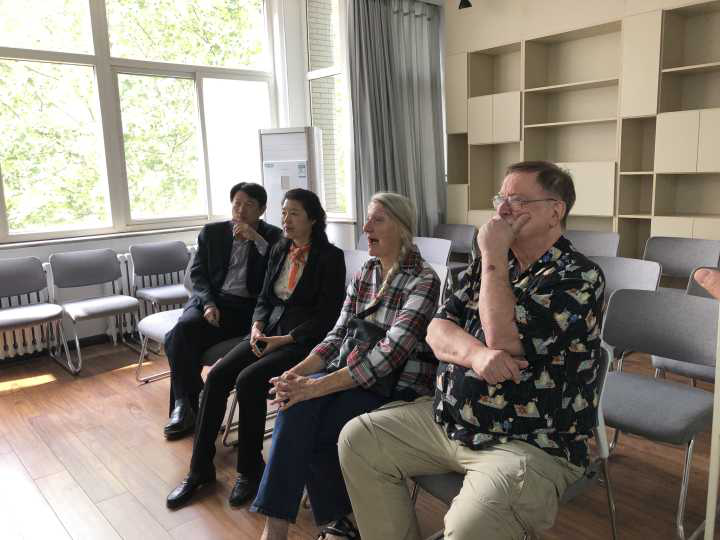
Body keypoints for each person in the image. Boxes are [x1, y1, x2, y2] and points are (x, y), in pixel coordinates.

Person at [339, 161, 606, 540]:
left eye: (518, 200)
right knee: (359, 439)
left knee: (467, 528)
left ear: (555, 211)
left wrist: (493, 254)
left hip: (529, 441)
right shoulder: (488, 264)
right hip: (451, 420)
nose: (503, 210)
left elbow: (503, 338)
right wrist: (477, 356)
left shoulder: (578, 276)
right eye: (501, 199)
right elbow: (436, 331)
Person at [253, 192, 440, 540]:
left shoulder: (424, 280)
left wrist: (315, 386)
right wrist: (298, 374)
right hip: (352, 376)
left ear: (402, 228)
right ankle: (279, 526)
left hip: (396, 387)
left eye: (377, 220)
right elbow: (337, 335)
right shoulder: (366, 272)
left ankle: (334, 521)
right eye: (367, 219)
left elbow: (389, 355)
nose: (366, 227)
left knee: (309, 421)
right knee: (294, 404)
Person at [166, 188, 346, 509]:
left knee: (248, 380)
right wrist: (257, 325)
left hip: (302, 341)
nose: (286, 219)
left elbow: (327, 317)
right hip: (267, 333)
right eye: (284, 212)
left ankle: (250, 471)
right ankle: (199, 469)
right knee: (217, 377)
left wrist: (286, 339)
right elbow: (264, 298)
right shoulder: (280, 248)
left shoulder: (330, 257)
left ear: (313, 219)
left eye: (294, 213)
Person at [163, 182, 282, 440]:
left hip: (245, 309)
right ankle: (187, 402)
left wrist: (257, 240)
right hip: (211, 301)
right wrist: (207, 303)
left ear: (261, 209)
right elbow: (197, 274)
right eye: (237, 204)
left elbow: (278, 269)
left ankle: (185, 408)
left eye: (249, 205)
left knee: (177, 341)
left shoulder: (273, 237)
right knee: (182, 332)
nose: (241, 210)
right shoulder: (212, 233)